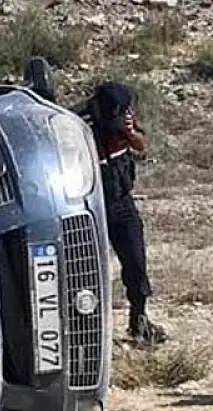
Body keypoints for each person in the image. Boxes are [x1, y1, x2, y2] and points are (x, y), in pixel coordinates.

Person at [75, 81, 168, 345]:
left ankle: (139, 320)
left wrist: (130, 132)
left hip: (122, 201)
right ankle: (86, 330)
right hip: (89, 208)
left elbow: (141, 145)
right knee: (87, 271)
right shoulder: (77, 123)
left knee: (136, 262)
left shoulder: (124, 116)